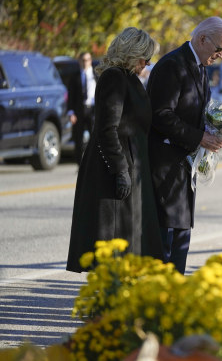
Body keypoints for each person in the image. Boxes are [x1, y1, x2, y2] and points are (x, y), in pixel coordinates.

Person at [66, 27, 164, 272]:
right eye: (145, 58)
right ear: (131, 53)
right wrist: (121, 171)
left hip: (134, 164)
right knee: (114, 245)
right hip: (115, 168)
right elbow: (107, 128)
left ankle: (120, 300)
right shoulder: (114, 77)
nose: (147, 63)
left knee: (131, 245)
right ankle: (107, 305)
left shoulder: (130, 78)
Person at [147, 16, 222, 274]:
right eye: (219, 49)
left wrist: (214, 130)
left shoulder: (201, 67)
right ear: (202, 39)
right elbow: (160, 114)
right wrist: (199, 137)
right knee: (166, 241)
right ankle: (159, 302)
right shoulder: (172, 65)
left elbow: (196, 111)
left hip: (185, 167)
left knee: (182, 236)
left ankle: (176, 297)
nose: (221, 56)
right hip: (164, 166)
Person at [70, 52, 98, 164]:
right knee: (78, 139)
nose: (85, 62)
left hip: (93, 109)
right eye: (83, 60)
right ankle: (80, 164)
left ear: (91, 60)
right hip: (79, 110)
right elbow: (71, 95)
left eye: (87, 60)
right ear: (79, 61)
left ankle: (94, 163)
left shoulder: (96, 75)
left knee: (94, 138)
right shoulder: (75, 76)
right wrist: (71, 112)